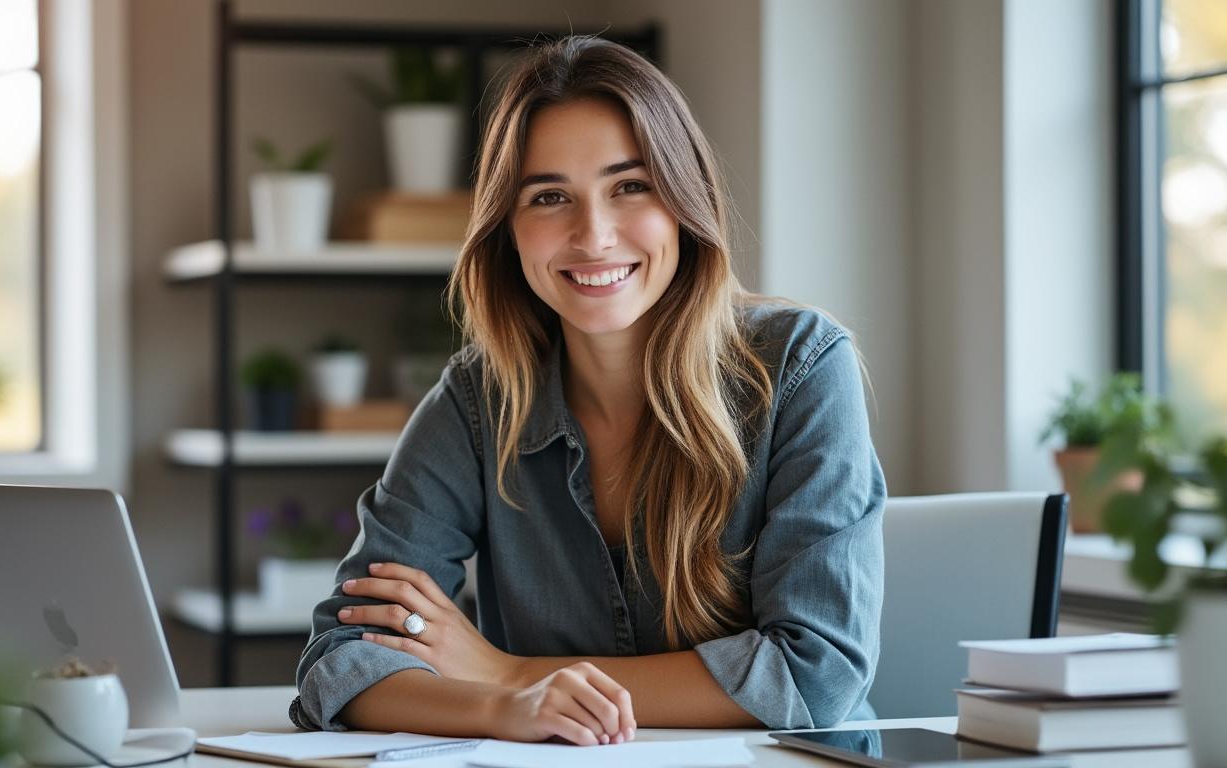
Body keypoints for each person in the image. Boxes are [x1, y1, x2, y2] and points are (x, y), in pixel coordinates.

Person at [291, 35, 885, 745]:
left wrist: (507, 671)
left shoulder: (800, 368)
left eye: (629, 186)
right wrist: (503, 707)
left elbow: (813, 675)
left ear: (681, 203)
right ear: (508, 232)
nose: (594, 235)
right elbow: (340, 663)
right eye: (549, 197)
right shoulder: (477, 403)